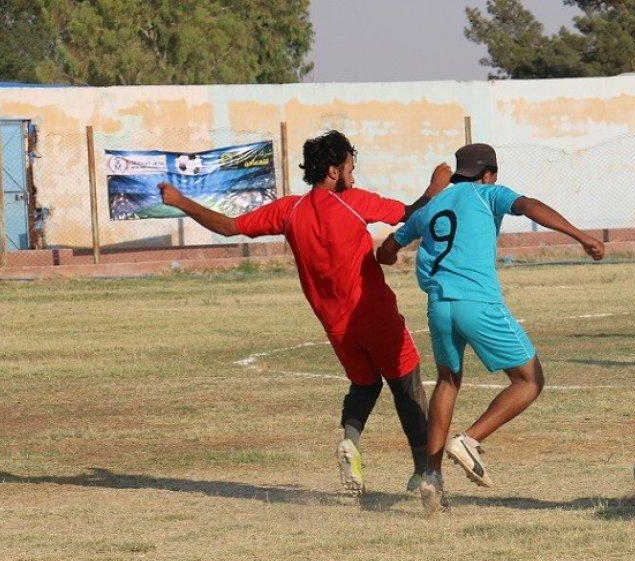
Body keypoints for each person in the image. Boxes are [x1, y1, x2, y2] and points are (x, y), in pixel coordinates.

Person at [159, 130, 452, 493]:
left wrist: (181, 201)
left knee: (364, 383)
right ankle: (425, 471)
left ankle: (351, 442)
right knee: (407, 386)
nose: (353, 175)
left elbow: (229, 227)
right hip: (375, 315)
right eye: (349, 168)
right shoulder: (354, 201)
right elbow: (411, 214)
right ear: (333, 171)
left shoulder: (289, 210)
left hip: (336, 325)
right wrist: (434, 187)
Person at [377, 143, 605, 516]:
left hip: (438, 307)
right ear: (489, 174)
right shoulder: (489, 194)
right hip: (477, 303)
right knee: (529, 380)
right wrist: (581, 236)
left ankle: (431, 475)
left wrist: (421, 210)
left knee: (448, 381)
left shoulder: (432, 206)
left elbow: (385, 252)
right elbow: (529, 205)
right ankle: (469, 440)